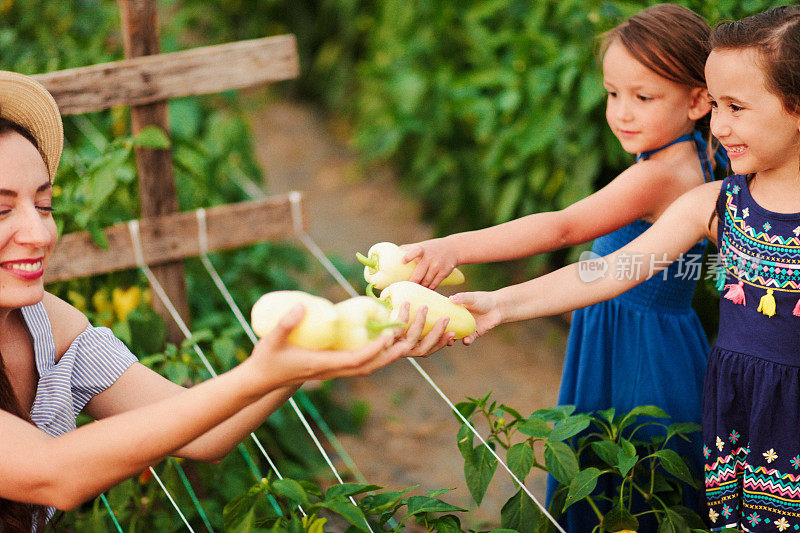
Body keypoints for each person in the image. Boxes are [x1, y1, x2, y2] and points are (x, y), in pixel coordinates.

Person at [0, 71, 453, 531]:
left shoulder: (46, 323)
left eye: (44, 205)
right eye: (2, 210)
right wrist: (258, 374)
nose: (38, 234)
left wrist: (316, 351)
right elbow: (52, 475)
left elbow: (206, 434)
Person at [450, 6, 800, 531]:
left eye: (737, 107)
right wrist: (500, 304)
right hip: (737, 423)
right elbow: (610, 270)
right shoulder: (716, 204)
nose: (719, 123)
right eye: (718, 104)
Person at [402, 4, 719, 527]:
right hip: (662, 334)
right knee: (639, 478)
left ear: (698, 100)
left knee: (625, 474)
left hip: (635, 343)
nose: (622, 112)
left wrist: (455, 246)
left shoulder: (659, 175)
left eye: (644, 97)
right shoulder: (699, 156)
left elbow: (564, 228)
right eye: (613, 93)